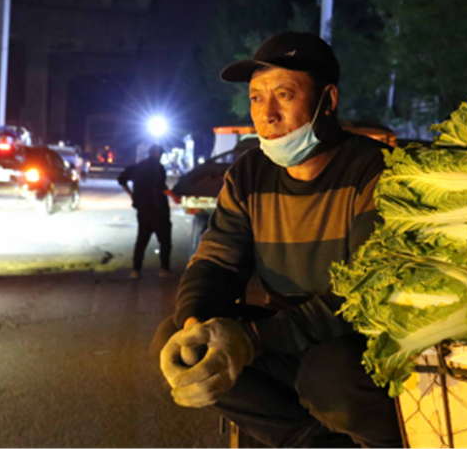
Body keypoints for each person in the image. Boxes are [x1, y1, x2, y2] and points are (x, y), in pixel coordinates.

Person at [153, 32, 403, 447]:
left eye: (284, 94)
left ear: (329, 100)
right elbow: (217, 262)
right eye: (255, 98)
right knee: (175, 340)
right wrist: (196, 321)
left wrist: (251, 340)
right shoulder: (249, 172)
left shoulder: (373, 171)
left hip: (356, 342)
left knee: (327, 375)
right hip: (283, 336)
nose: (266, 114)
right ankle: (311, 442)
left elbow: (367, 296)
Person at [118, 144, 175, 279]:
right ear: (159, 154)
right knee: (165, 241)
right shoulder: (158, 167)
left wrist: (131, 194)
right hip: (158, 209)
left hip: (143, 209)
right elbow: (160, 186)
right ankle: (164, 269)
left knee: (141, 240)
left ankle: (136, 270)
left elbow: (121, 179)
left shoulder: (138, 167)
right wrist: (174, 196)